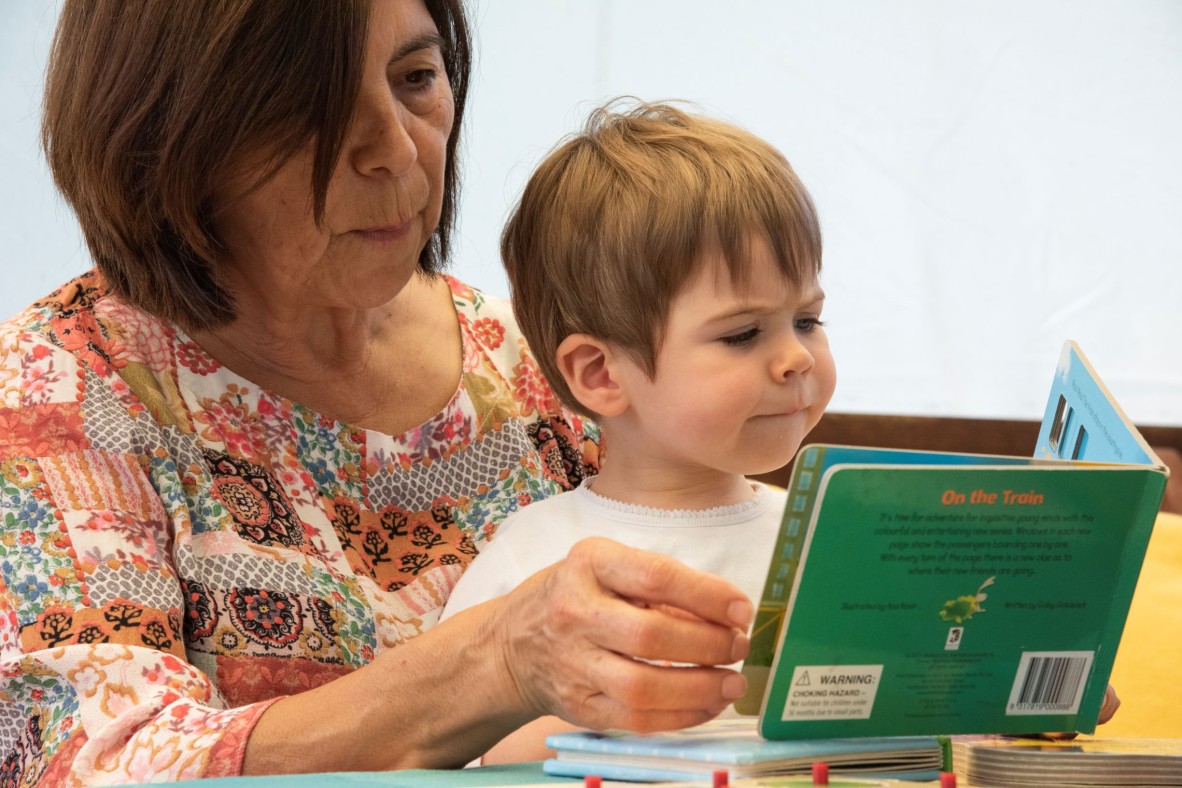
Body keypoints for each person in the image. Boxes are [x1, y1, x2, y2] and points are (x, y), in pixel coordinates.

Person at [0, 2, 757, 783]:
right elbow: (95, 761)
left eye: (417, 78)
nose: (397, 150)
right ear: (168, 135)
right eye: (311, 107)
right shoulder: (58, 389)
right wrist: (494, 661)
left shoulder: (552, 366)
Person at [439, 99, 838, 764]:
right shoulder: (535, 561)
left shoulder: (823, 539)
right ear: (600, 373)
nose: (796, 356)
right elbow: (472, 752)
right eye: (743, 333)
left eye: (809, 320)